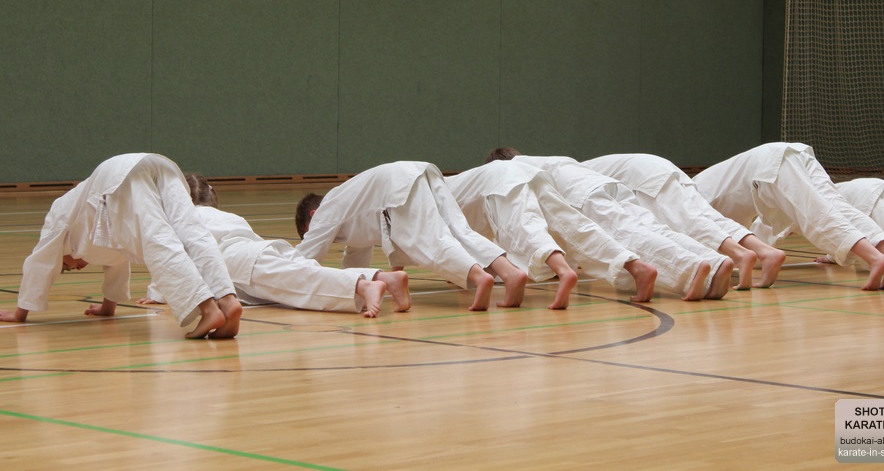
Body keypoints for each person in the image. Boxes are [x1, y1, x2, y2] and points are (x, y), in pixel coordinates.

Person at [0, 153, 242, 339]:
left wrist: (20, 313)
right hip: (158, 164)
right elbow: (116, 265)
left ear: (62, 254)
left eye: (69, 266)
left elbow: (39, 263)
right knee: (193, 232)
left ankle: (209, 310)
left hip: (117, 177)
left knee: (157, 240)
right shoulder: (104, 236)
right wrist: (108, 308)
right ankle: (228, 300)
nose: (79, 267)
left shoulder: (60, 215)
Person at [143, 174, 411, 317]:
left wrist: (157, 293)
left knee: (303, 283)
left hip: (239, 261)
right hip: (262, 249)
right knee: (305, 274)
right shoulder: (227, 216)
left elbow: (171, 260)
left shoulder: (185, 220)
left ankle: (363, 286)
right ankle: (382, 277)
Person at [486, 149, 734, 301]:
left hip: (582, 195)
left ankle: (691, 269)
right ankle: (713, 261)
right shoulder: (546, 159)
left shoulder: (510, 170)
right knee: (651, 228)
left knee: (629, 236)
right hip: (607, 185)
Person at [295, 161, 528, 311]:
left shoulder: (327, 210)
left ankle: (479, 277)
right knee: (459, 231)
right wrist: (356, 288)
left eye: (310, 231)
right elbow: (354, 261)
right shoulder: (346, 209)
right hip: (419, 173)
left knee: (430, 242)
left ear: (313, 216)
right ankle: (511, 273)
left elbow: (304, 258)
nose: (318, 235)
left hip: (398, 187)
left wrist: (275, 279)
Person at [692, 142, 884, 290]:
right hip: (789, 153)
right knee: (838, 208)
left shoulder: (690, 204)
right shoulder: (696, 190)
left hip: (767, 169)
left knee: (816, 216)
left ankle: (875, 258)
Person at [446, 159, 658, 309]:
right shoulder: (446, 184)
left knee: (526, 230)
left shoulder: (434, 200)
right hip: (528, 174)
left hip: (501, 182)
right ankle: (637, 267)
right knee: (575, 227)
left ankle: (564, 271)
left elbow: (445, 242)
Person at [583, 153, 787, 288]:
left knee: (688, 222)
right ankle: (764, 251)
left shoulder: (568, 180)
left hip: (644, 177)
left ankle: (740, 254)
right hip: (661, 169)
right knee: (705, 216)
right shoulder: (577, 167)